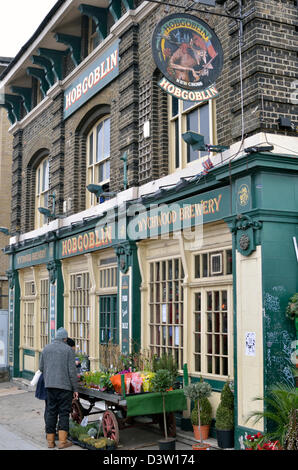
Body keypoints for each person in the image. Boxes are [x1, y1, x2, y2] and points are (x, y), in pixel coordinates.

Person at [39, 328, 78, 449]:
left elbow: (41, 367)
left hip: (50, 386)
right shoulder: (68, 350)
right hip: (65, 387)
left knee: (51, 412)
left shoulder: (46, 348)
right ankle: (62, 442)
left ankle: (50, 442)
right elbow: (72, 372)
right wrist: (75, 389)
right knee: (64, 413)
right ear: (65, 339)